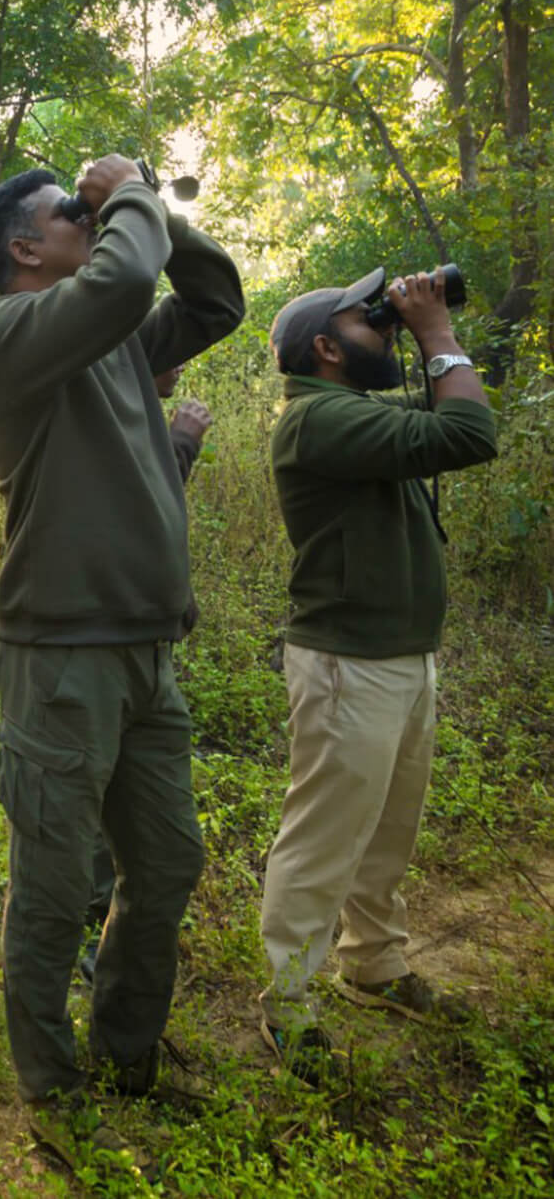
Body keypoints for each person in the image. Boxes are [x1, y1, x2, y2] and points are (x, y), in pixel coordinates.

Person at [0, 156, 244, 1163]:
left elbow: (216, 300)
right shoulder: (3, 337)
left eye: (93, 210)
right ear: (25, 250)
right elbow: (126, 279)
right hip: (60, 661)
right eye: (68, 213)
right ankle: (51, 1085)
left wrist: (153, 206)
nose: (93, 220)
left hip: (148, 656)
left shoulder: (117, 344)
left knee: (165, 861)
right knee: (52, 881)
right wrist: (124, 187)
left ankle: (130, 1059)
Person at [258, 267, 496, 1083]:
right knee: (325, 838)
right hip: (347, 666)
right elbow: (468, 433)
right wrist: (433, 330)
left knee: (389, 831)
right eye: (371, 321)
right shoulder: (315, 421)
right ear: (326, 348)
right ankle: (288, 1004)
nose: (387, 328)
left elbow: (448, 408)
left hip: (398, 657)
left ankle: (375, 964)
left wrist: (425, 330)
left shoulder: (352, 411)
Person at [77, 367, 213, 985]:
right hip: (95, 643)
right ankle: (95, 919)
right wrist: (179, 444)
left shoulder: (128, 413)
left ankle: (106, 914)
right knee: (97, 789)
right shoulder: (99, 411)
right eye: (164, 352)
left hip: (139, 641)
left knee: (125, 800)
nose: (177, 367)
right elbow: (129, 503)